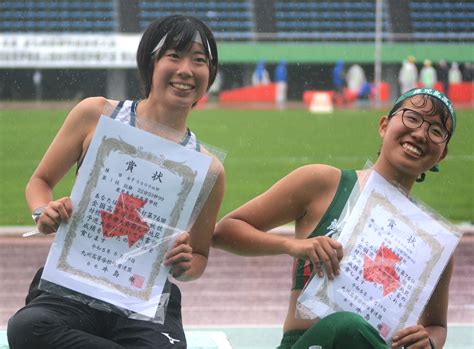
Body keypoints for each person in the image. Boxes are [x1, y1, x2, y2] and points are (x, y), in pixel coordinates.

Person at [7, 15, 225, 349]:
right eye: (174, 56)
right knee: (27, 328)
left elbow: (199, 259)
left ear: (209, 74)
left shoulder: (208, 169)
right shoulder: (97, 114)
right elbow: (40, 181)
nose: (186, 70)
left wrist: (184, 265)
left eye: (199, 61)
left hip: (143, 305)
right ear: (150, 63)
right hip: (71, 291)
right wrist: (43, 212)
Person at [213, 88, 456, 349]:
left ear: (441, 155)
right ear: (384, 125)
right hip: (309, 342)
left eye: (436, 131)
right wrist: (292, 246)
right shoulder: (323, 184)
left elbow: (436, 325)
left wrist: (429, 342)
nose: (420, 133)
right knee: (346, 327)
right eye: (412, 117)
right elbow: (224, 232)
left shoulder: (433, 241)